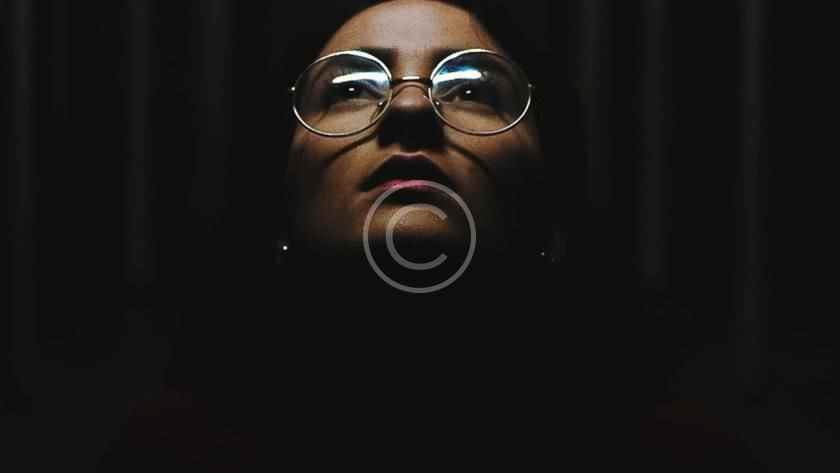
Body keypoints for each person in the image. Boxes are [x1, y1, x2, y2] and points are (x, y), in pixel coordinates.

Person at [98, 1, 763, 469]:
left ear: (549, 191)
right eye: (351, 87)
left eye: (472, 88)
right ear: (278, 197)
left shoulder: (687, 456)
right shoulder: (164, 454)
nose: (412, 107)